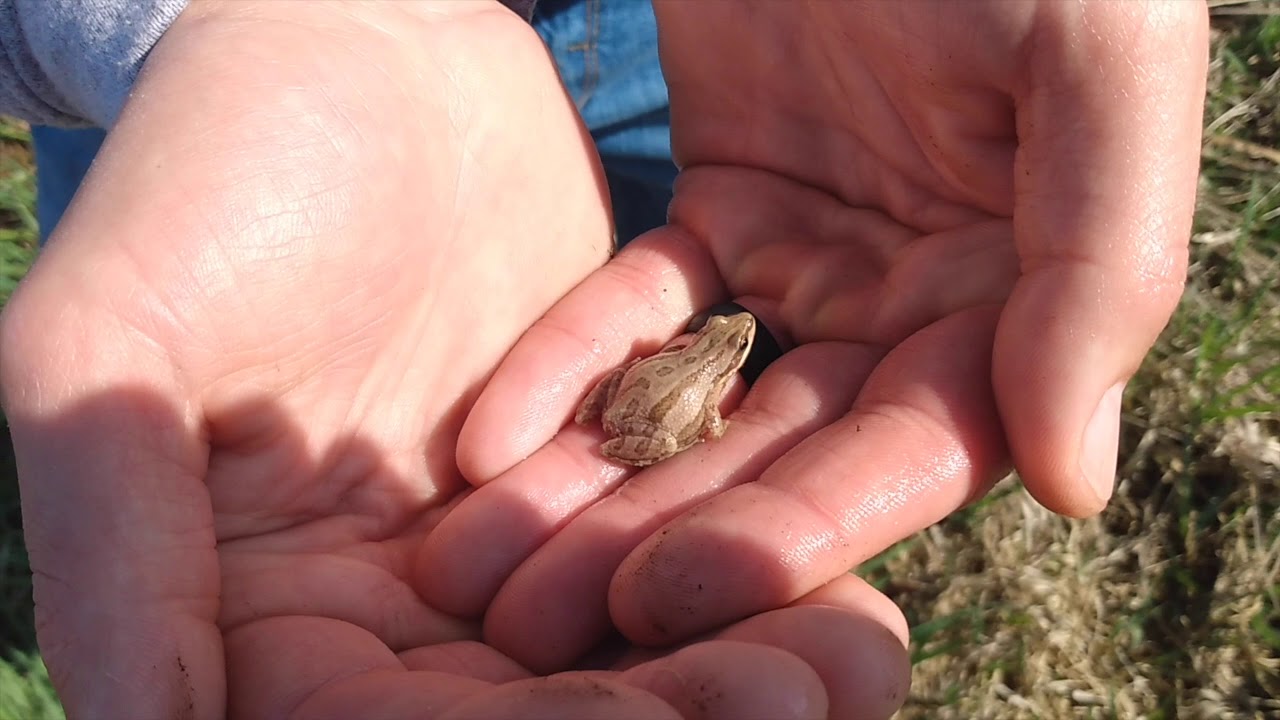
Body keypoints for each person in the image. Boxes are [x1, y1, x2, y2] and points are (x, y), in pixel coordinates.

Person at [0, 0, 1209, 717]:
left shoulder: (722, 323)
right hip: (281, 47)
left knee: (682, 256)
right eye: (730, 343)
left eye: (734, 341)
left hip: (744, 53)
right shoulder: (711, 362)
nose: (734, 338)